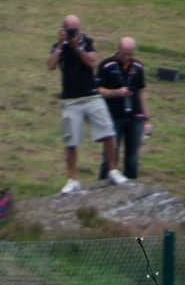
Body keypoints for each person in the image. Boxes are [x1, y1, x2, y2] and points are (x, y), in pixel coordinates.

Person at [46, 14, 125, 194]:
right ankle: (72, 179)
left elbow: (91, 63)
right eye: (70, 29)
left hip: (91, 95)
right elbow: (50, 65)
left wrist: (77, 47)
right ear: (63, 29)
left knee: (108, 131)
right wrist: (60, 45)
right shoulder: (59, 46)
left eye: (76, 29)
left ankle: (112, 170)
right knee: (71, 140)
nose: (74, 32)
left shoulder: (87, 42)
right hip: (71, 99)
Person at [96, 37, 150, 181]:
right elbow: (98, 90)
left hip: (135, 116)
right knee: (110, 155)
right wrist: (116, 92)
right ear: (119, 49)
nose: (128, 57)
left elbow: (141, 93)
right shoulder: (106, 65)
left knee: (133, 157)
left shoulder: (138, 67)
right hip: (114, 116)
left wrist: (146, 119)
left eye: (131, 54)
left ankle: (131, 187)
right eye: (126, 53)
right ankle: (101, 187)